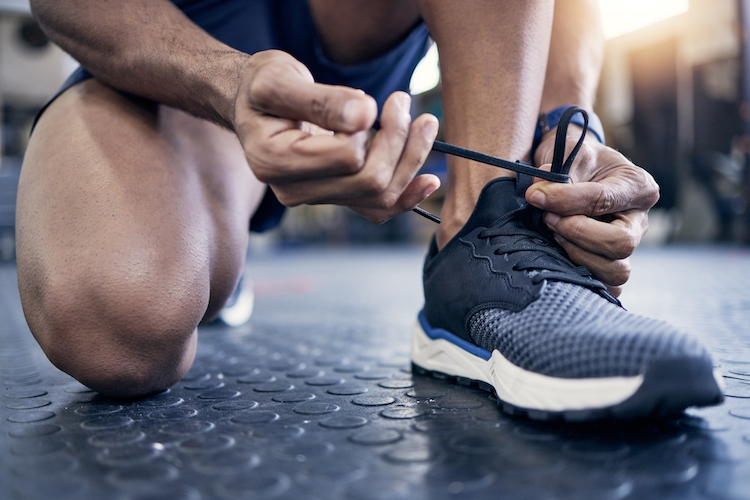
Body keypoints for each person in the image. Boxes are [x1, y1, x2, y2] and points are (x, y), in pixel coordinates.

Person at [18, 0, 723, 419]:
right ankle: (214, 227)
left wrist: (564, 123)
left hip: (359, 29)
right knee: (118, 319)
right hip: (177, 53)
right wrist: (226, 82)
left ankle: (480, 239)